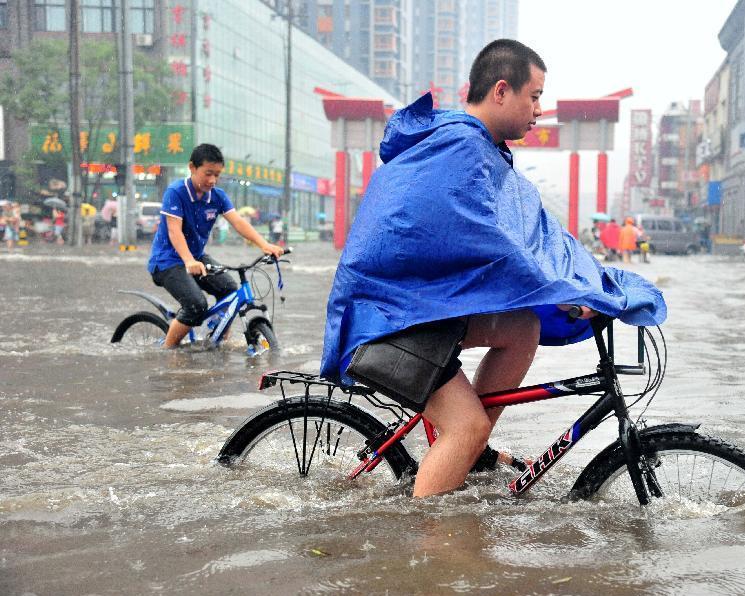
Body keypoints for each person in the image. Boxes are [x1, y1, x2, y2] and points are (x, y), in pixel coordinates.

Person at [320, 40, 665, 498]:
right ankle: (422, 551)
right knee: (466, 428)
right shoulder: (460, 147)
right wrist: (560, 292)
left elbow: (540, 237)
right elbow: (482, 239)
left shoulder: (483, 150)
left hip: (414, 308)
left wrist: (593, 285)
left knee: (522, 328)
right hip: (385, 315)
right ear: (502, 90)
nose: (540, 109)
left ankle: (468, 452)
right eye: (535, 95)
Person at [147, 143, 284, 348]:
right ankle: (168, 353)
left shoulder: (218, 196)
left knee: (229, 289)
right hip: (167, 261)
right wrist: (188, 260)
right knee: (196, 305)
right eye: (208, 173)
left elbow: (238, 222)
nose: (212, 180)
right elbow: (174, 231)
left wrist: (264, 245)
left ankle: (217, 340)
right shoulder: (176, 192)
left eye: (217, 175)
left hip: (196, 257)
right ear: (192, 167)